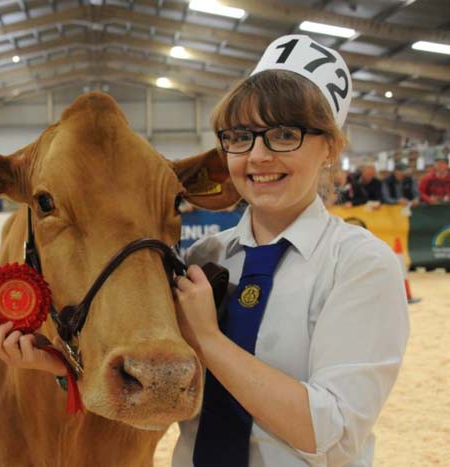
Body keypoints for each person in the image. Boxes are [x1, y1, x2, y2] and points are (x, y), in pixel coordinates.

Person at [169, 36, 408, 466]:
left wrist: (208, 339)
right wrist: (57, 369)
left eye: (284, 134)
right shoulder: (204, 256)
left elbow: (328, 434)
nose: (258, 156)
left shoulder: (360, 265)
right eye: (241, 136)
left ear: (330, 147)